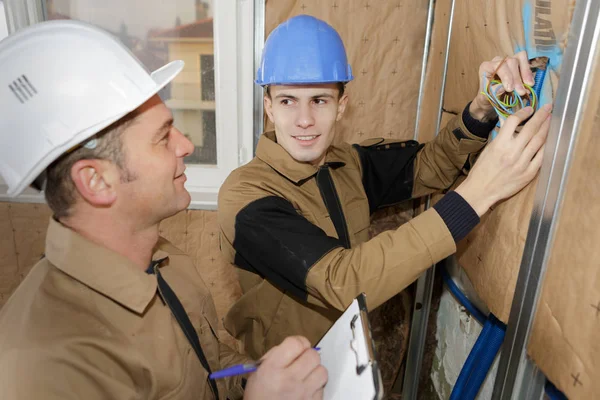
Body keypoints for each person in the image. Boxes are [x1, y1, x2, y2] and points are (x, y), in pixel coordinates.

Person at [0, 20, 326, 399]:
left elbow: (209, 368)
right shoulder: (46, 366)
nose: (186, 145)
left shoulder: (164, 259)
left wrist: (260, 377)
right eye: (162, 137)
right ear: (96, 181)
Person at [218, 14, 551, 358]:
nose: (304, 119)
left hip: (351, 360)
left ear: (341, 106)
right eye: (288, 101)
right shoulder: (247, 197)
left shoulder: (346, 165)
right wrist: (479, 192)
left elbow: (429, 167)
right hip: (286, 379)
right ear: (269, 107)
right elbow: (342, 281)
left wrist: (482, 111)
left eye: (319, 100)